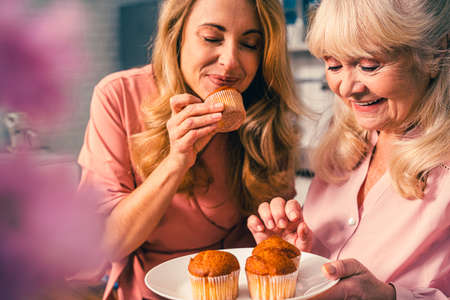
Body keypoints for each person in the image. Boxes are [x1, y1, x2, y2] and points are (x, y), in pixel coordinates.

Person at [76, 0, 304, 299]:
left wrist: (278, 235)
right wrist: (176, 161)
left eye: (250, 44)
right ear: (177, 33)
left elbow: (269, 247)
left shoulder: (267, 115)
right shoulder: (118, 96)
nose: (231, 61)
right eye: (212, 38)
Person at [248, 0, 450, 299]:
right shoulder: (346, 142)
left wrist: (388, 297)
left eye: (369, 65)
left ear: (435, 53)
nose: (346, 87)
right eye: (333, 65)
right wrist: (296, 253)